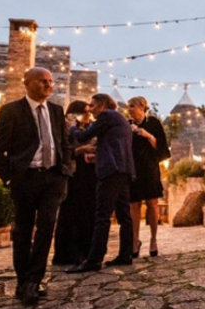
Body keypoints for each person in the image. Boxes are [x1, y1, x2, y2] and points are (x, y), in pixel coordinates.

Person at [0, 67, 72, 304]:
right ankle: (23, 280)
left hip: (53, 178)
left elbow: (63, 143)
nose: (48, 86)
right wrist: (9, 177)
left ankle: (34, 280)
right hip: (25, 179)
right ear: (27, 83)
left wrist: (65, 169)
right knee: (23, 230)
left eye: (50, 82)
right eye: (42, 82)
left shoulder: (56, 111)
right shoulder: (11, 111)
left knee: (46, 227)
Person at [67, 93, 136, 273]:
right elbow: (113, 145)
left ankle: (94, 260)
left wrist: (72, 127)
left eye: (93, 105)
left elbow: (83, 137)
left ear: (103, 104)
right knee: (124, 216)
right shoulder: (120, 119)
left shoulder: (107, 116)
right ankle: (125, 254)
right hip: (123, 170)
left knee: (102, 216)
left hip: (111, 171)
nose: (90, 109)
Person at [52, 100, 97, 266]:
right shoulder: (67, 129)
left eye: (89, 111)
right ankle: (69, 253)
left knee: (88, 213)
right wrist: (83, 150)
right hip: (74, 175)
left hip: (90, 174)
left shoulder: (91, 128)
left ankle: (87, 251)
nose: (88, 114)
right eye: (84, 111)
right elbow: (64, 153)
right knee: (71, 214)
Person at [127, 96, 170, 259]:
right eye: (129, 106)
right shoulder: (127, 125)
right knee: (134, 205)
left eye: (132, 106)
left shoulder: (153, 123)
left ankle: (153, 240)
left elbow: (162, 148)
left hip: (150, 168)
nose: (129, 109)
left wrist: (147, 135)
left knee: (152, 203)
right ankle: (134, 240)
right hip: (133, 169)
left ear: (142, 107)